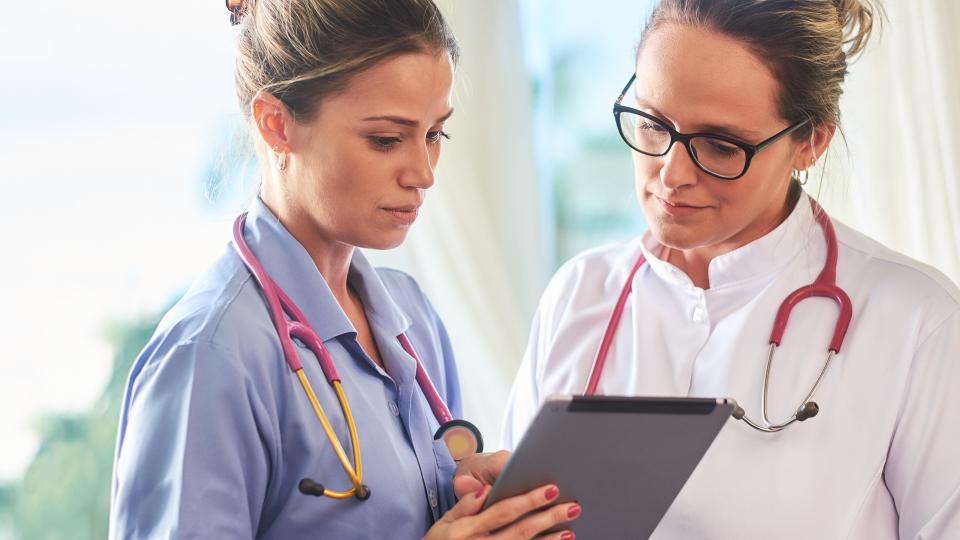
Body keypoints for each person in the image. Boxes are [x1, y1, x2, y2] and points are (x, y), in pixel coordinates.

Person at [108, 0, 580, 538]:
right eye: (386, 139)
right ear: (277, 124)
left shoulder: (413, 320)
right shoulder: (210, 355)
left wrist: (469, 503)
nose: (423, 173)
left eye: (434, 135)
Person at [503, 0, 960, 538]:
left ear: (810, 142)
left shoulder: (917, 321)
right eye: (652, 124)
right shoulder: (579, 294)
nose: (671, 175)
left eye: (720, 146)